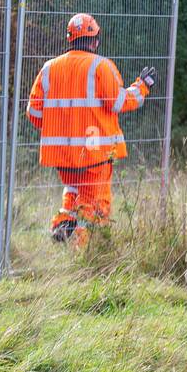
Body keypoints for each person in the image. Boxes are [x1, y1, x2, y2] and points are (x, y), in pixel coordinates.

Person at [27, 13, 157, 246]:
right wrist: (142, 87)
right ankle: (86, 253)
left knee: (73, 189)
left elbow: (34, 112)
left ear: (70, 39)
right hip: (95, 153)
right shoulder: (101, 66)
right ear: (95, 40)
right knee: (94, 203)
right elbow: (119, 102)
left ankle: (63, 222)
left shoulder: (48, 68)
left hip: (62, 155)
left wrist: (59, 129)